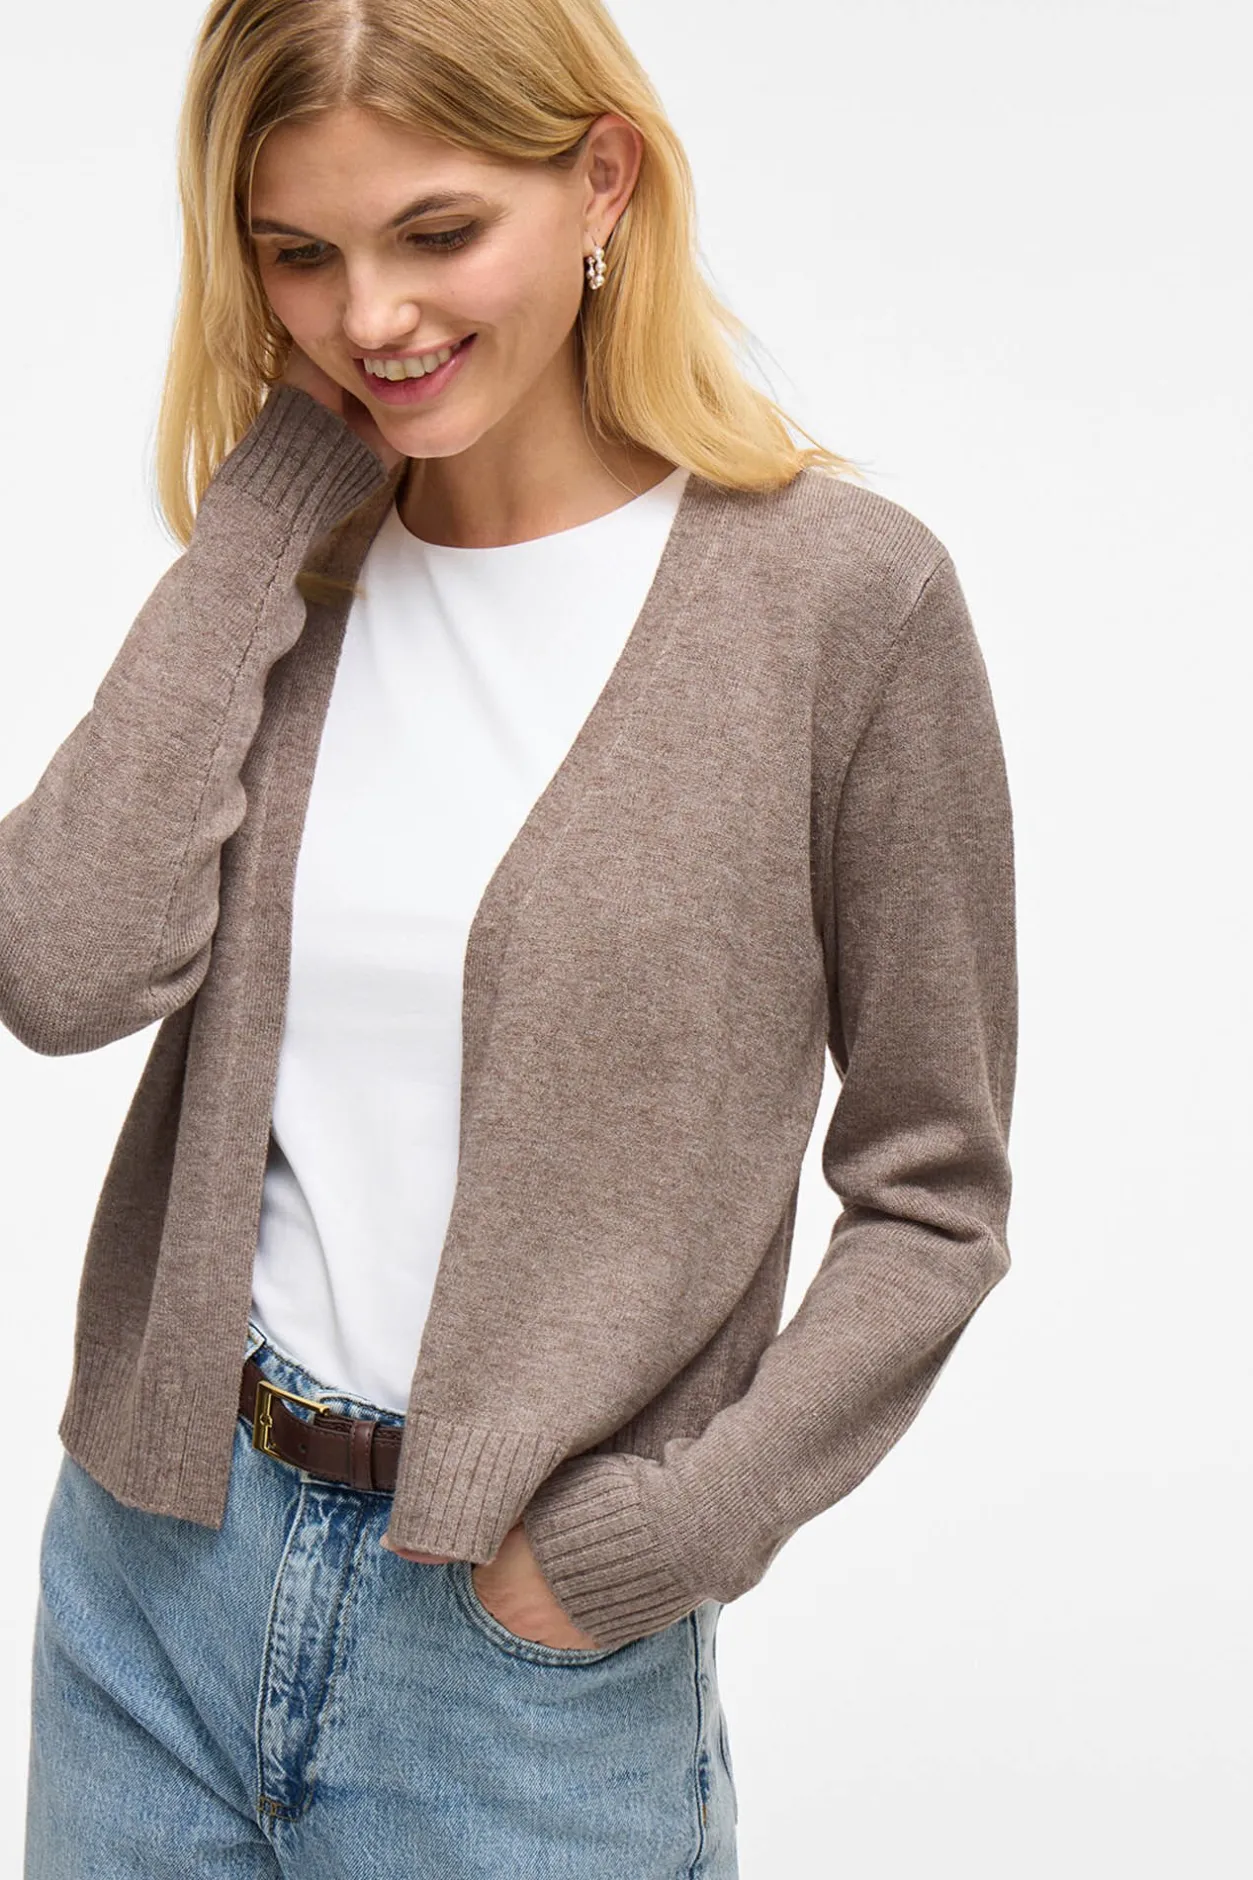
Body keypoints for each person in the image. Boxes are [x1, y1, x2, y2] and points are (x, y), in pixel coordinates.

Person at [6, 1, 1018, 1875]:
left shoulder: (839, 605)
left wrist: (671, 1532)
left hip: (514, 1674)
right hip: (155, 1586)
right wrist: (259, 521)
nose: (370, 317)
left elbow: (935, 1193)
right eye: (299, 254)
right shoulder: (291, 582)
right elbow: (58, 970)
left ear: (601, 180)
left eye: (437, 232)